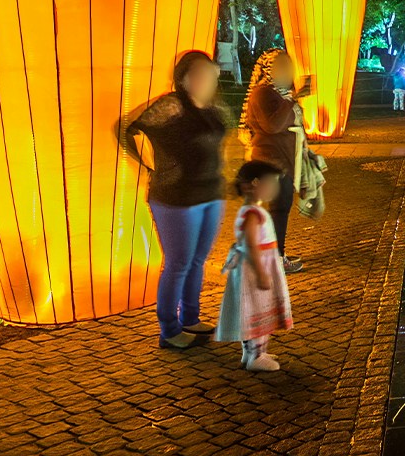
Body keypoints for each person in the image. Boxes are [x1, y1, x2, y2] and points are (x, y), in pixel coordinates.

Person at [122, 51, 229, 349]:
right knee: (178, 263)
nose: (206, 79)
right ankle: (169, 331)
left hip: (209, 194)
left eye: (209, 73)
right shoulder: (171, 105)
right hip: (176, 197)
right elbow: (127, 129)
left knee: (197, 260)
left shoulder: (209, 106)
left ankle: (191, 319)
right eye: (199, 74)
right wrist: (148, 165)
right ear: (183, 78)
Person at [216, 161, 295, 372]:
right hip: (254, 269)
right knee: (257, 309)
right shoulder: (253, 213)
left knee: (253, 309)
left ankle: (251, 352)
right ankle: (255, 356)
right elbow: (251, 244)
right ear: (255, 184)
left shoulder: (252, 210)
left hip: (255, 266)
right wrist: (261, 272)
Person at [243, 48, 310, 274]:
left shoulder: (280, 94)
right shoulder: (263, 93)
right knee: (277, 213)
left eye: (289, 66)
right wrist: (292, 99)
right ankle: (274, 259)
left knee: (279, 212)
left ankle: (274, 255)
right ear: (269, 69)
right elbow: (273, 125)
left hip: (283, 161)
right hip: (270, 163)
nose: (287, 72)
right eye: (281, 66)